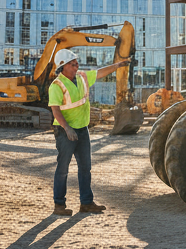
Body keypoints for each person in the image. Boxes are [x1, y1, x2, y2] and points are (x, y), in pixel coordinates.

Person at [49, 48, 129, 216]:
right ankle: (59, 205)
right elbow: (55, 110)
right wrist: (67, 128)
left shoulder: (82, 77)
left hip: (82, 129)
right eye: (73, 64)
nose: (76, 66)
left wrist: (118, 65)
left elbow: (99, 73)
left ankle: (86, 203)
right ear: (63, 66)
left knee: (85, 168)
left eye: (76, 63)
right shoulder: (57, 85)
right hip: (65, 131)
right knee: (63, 169)